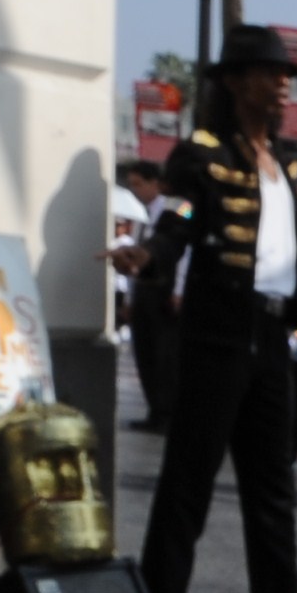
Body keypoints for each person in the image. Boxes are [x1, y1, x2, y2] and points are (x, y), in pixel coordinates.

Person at [131, 25, 297, 593]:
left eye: (287, 74)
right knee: (191, 472)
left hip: (272, 334)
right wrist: (148, 255)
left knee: (272, 477)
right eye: (269, 72)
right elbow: (178, 220)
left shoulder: (287, 164)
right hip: (216, 330)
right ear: (235, 82)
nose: (284, 83)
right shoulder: (202, 156)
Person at [110, 155, 177, 431]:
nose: (135, 190)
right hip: (144, 293)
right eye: (132, 185)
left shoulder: (173, 210)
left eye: (139, 184)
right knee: (145, 354)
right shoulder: (140, 216)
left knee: (165, 357)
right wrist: (130, 299)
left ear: (155, 184)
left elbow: (183, 254)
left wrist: (181, 290)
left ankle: (167, 413)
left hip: (165, 290)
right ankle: (155, 411)